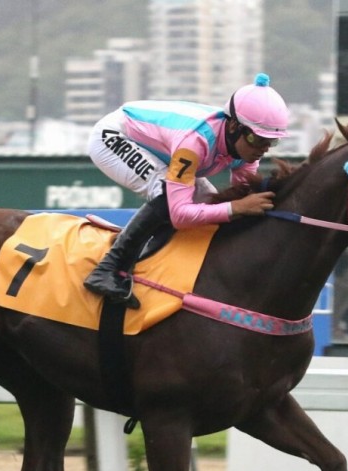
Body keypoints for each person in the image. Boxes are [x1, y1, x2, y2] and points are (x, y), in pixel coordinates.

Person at [84, 73, 289, 308]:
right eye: (258, 139)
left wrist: (242, 208)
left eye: (271, 142)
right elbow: (180, 214)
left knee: (210, 205)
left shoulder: (247, 150)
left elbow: (240, 201)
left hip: (159, 147)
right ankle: (109, 269)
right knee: (166, 195)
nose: (263, 149)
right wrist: (237, 207)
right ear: (234, 126)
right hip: (113, 135)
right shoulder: (195, 142)